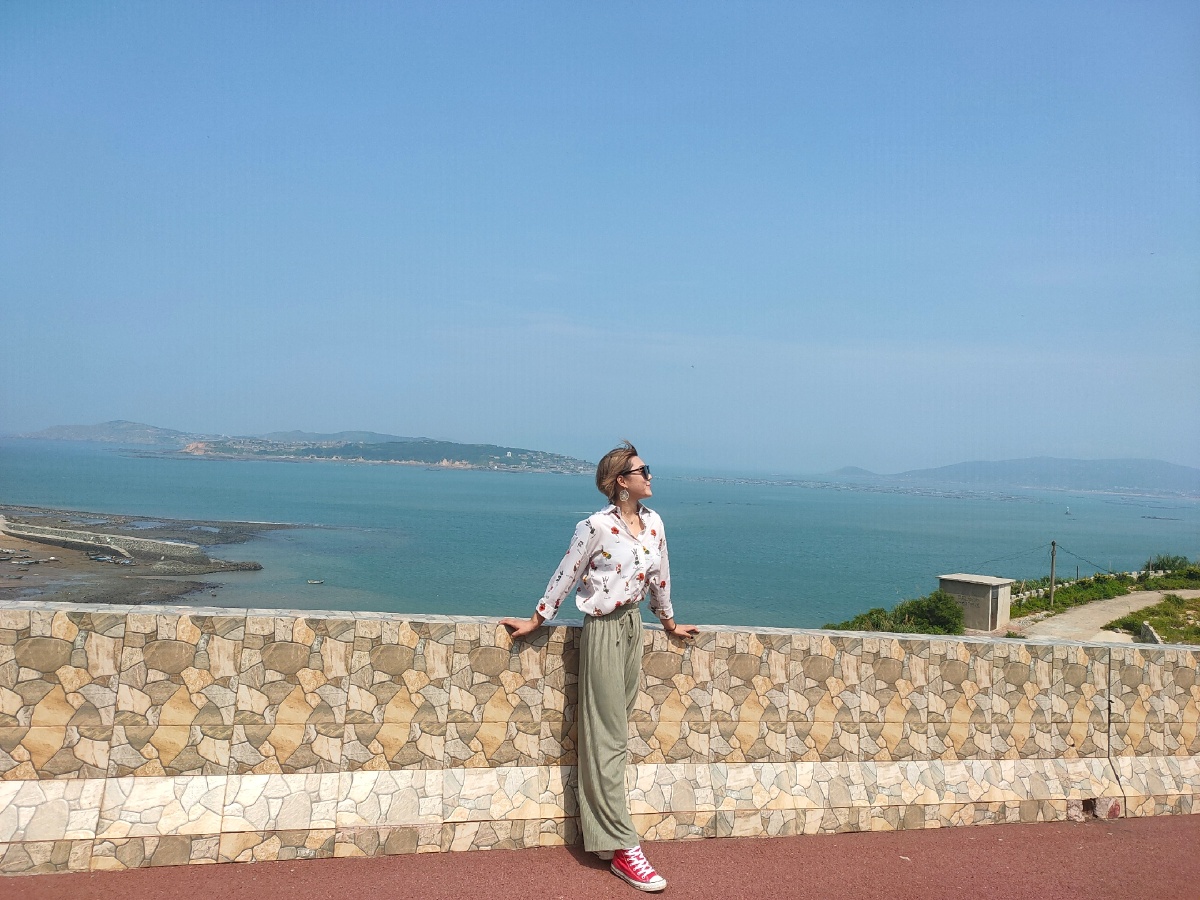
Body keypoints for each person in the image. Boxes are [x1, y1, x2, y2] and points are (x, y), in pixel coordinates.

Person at [502, 442, 699, 893]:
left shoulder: (654, 523)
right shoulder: (594, 526)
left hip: (633, 628)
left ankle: (605, 838)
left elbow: (661, 578)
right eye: (643, 470)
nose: (650, 475)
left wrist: (669, 623)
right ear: (621, 482)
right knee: (607, 737)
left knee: (615, 734)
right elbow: (566, 574)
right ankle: (625, 846)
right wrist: (536, 620)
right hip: (603, 630)